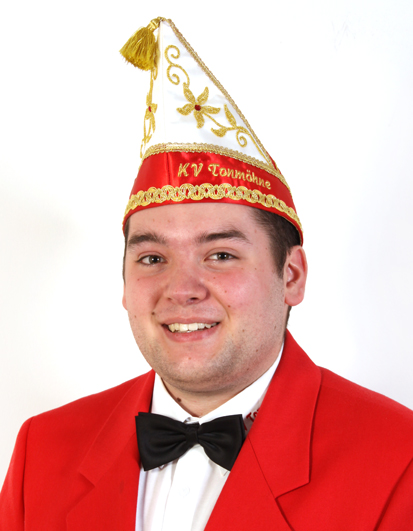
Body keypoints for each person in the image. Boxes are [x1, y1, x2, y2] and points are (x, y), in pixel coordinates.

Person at [1, 17, 413, 531]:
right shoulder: (42, 450)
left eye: (220, 255)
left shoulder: (399, 460)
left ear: (291, 276)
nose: (181, 290)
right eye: (153, 259)